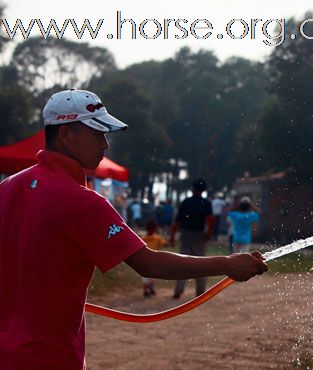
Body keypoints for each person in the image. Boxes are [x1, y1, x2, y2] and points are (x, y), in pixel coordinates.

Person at [0, 89, 268, 370]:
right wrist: (227, 264)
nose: (104, 143)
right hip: (49, 358)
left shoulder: (7, 188)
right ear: (66, 135)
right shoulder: (84, 202)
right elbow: (148, 263)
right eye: (96, 133)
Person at [170, 178, 214, 299]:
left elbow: (177, 222)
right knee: (201, 264)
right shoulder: (206, 203)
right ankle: (200, 292)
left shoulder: (186, 202)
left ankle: (178, 291)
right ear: (204, 190)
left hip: (186, 235)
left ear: (192, 189)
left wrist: (172, 237)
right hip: (199, 236)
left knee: (183, 263)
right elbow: (210, 220)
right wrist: (208, 234)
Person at [140, 219, 167, 297]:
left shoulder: (143, 238)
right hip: (153, 260)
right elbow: (164, 244)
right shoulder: (156, 238)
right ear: (155, 229)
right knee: (150, 276)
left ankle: (148, 289)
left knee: (147, 277)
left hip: (146, 261)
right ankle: (147, 290)